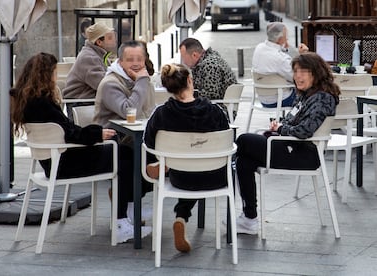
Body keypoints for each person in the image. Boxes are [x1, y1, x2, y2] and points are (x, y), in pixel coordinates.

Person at [10, 53, 151, 244]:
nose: (55, 76)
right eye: (53, 72)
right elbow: (70, 134)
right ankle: (121, 221)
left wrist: (96, 133)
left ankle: (126, 214)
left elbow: (65, 131)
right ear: (45, 75)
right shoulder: (44, 103)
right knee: (127, 155)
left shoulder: (28, 102)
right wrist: (97, 134)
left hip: (51, 162)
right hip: (66, 163)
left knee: (123, 152)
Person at [234, 52, 340, 235]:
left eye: (304, 71)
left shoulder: (322, 98)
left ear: (316, 72)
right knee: (244, 161)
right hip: (292, 148)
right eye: (296, 71)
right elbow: (292, 122)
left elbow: (304, 131)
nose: (298, 76)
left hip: (304, 155)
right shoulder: (307, 95)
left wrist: (282, 129)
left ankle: (217, 187)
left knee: (243, 140)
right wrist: (281, 126)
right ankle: (249, 219)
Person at [143, 63, 230, 253]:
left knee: (186, 169)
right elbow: (229, 141)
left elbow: (148, 143)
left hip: (180, 178)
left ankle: (180, 214)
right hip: (215, 177)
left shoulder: (161, 114)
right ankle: (183, 217)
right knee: (217, 167)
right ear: (190, 80)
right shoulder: (214, 111)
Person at [94, 40, 155, 127]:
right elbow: (129, 112)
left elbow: (149, 112)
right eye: (130, 60)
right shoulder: (109, 84)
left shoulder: (144, 81)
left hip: (141, 135)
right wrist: (141, 81)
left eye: (139, 59)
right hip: (116, 137)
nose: (136, 64)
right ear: (120, 62)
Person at [63, 22, 117, 118]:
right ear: (99, 42)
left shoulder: (101, 55)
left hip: (91, 103)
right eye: (110, 38)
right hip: (80, 105)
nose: (114, 41)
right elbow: (104, 85)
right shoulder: (89, 57)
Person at [252, 21, 309, 108]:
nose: (287, 40)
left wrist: (283, 47)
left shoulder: (259, 48)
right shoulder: (280, 58)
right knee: (311, 92)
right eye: (286, 37)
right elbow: (297, 78)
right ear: (280, 39)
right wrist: (304, 55)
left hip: (263, 98)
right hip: (280, 99)